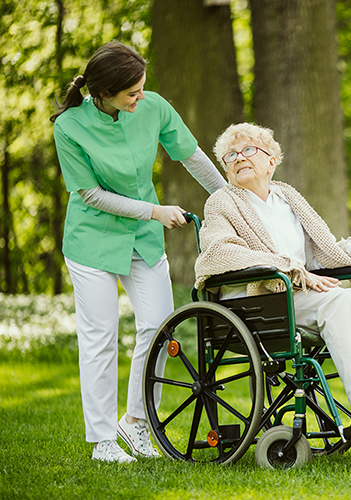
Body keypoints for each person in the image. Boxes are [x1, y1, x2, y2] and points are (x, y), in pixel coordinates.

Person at [194, 122, 351, 435]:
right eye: (230, 155)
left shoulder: (288, 198)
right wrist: (288, 267)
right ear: (227, 169)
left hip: (297, 297)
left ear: (271, 160)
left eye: (248, 150)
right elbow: (218, 254)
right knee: (337, 301)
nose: (239, 158)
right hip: (257, 302)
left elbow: (321, 251)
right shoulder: (222, 201)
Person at [51, 41, 227, 463]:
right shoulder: (70, 126)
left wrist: (234, 202)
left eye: (142, 88)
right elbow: (90, 194)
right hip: (92, 241)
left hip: (141, 240)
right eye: (132, 93)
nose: (140, 98)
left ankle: (135, 423)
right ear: (103, 93)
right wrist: (154, 210)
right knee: (101, 337)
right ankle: (103, 441)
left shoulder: (153, 108)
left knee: (159, 327)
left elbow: (193, 157)